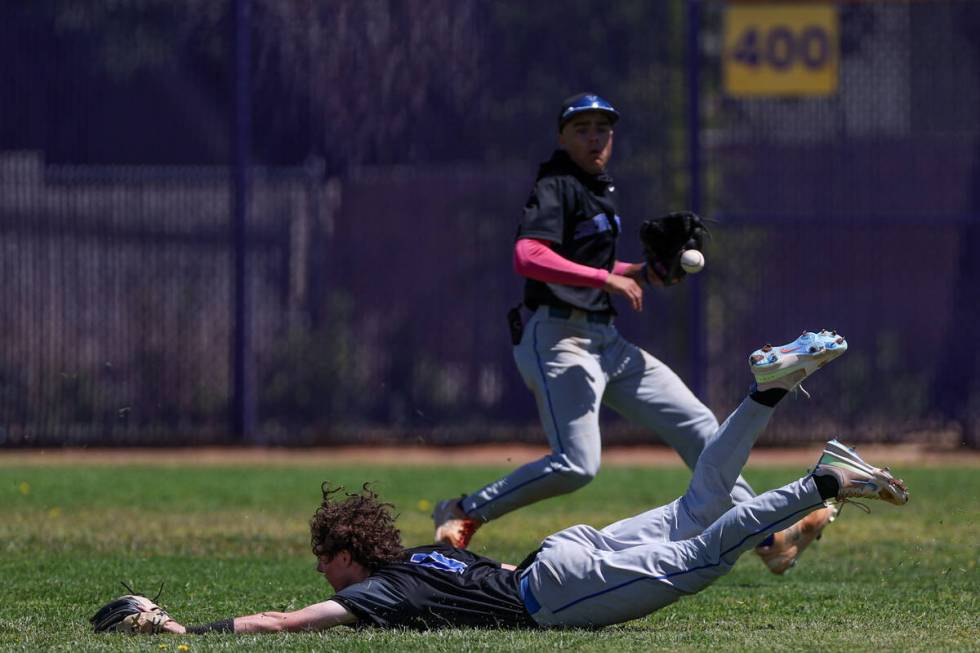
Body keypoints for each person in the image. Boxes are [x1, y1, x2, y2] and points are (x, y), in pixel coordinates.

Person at [116, 330, 908, 634]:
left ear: (350, 556)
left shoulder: (381, 592)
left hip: (552, 590)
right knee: (703, 499)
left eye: (327, 558)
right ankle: (766, 389)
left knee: (705, 552)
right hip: (557, 556)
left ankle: (821, 481)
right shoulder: (428, 554)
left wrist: (189, 629)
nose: (323, 572)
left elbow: (287, 621)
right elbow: (449, 534)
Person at [432, 92, 834, 574]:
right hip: (559, 340)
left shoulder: (598, 189)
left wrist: (643, 272)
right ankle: (463, 511)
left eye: (602, 128)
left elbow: (593, 264)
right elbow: (529, 255)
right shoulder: (556, 185)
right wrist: (608, 279)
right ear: (563, 136)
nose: (594, 136)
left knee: (700, 426)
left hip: (606, 342)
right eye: (582, 128)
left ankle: (770, 539)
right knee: (578, 464)